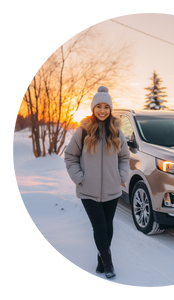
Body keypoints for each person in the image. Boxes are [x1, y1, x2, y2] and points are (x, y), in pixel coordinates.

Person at [64, 86, 130, 278]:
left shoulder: (117, 133)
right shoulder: (83, 131)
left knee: (108, 225)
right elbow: (70, 157)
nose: (102, 110)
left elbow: (125, 158)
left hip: (111, 189)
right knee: (99, 226)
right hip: (88, 190)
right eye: (98, 106)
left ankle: (101, 263)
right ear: (93, 109)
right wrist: (79, 179)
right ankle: (109, 264)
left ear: (110, 109)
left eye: (106, 107)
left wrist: (121, 176)